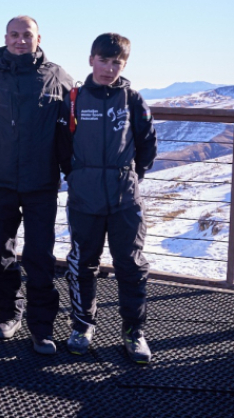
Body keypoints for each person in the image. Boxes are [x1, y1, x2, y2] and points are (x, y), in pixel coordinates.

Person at [60, 33, 157, 363]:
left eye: (117, 62)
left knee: (131, 266)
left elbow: (147, 145)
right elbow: (61, 145)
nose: (109, 68)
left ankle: (133, 331)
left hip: (124, 200)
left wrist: (131, 177)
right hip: (84, 199)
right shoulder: (74, 98)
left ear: (124, 65)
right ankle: (82, 326)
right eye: (103, 60)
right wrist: (76, 175)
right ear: (91, 60)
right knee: (83, 265)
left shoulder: (132, 99)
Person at [0, 15, 73, 354]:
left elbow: (70, 132)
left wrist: (73, 173)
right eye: (15, 35)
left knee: (39, 256)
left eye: (27, 35)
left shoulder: (58, 77)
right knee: (2, 255)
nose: (21, 40)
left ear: (38, 38)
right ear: (5, 38)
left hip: (41, 182)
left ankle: (41, 326)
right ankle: (8, 315)